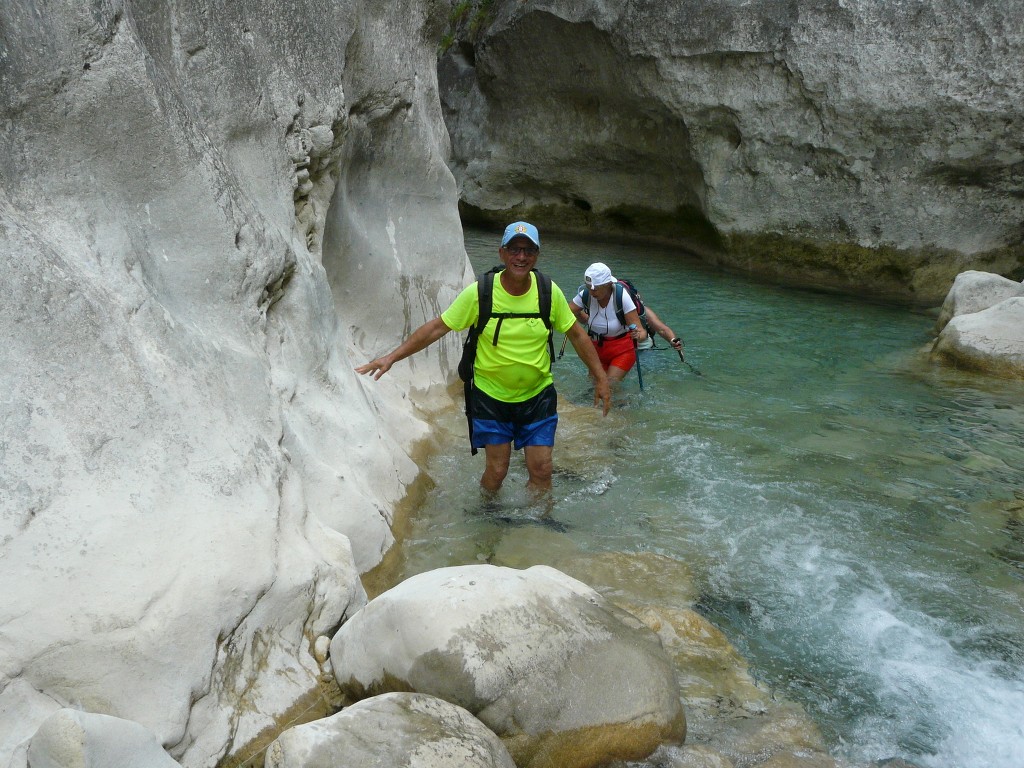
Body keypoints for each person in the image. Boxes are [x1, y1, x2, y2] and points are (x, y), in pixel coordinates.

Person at [356, 222, 611, 494]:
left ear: (536, 256)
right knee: (497, 471)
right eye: (514, 249)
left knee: (542, 469)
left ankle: (539, 524)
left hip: (537, 396)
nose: (521, 257)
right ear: (502, 253)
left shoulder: (548, 292)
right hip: (491, 398)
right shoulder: (481, 293)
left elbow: (577, 335)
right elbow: (437, 327)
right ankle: (487, 515)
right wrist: (392, 357)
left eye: (528, 251)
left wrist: (601, 378)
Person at [571, 263, 684, 380]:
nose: (591, 292)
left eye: (595, 288)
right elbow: (570, 313)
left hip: (637, 348)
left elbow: (660, 329)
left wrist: (672, 340)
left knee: (609, 385)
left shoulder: (627, 301)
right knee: (595, 385)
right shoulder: (587, 296)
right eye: (589, 288)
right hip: (598, 347)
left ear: (608, 284)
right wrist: (581, 317)